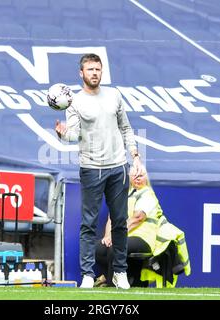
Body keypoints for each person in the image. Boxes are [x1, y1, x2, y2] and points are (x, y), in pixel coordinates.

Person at [55, 53, 143, 289]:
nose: (94, 73)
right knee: (89, 223)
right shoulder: (74, 102)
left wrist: (135, 156)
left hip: (117, 168)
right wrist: (63, 133)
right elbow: (75, 134)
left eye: (98, 69)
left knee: (120, 222)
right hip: (92, 169)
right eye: (90, 69)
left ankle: (120, 273)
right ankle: (86, 274)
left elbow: (126, 127)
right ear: (81, 73)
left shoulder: (114, 95)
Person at [95, 165, 191, 288]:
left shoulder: (148, 194)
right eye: (134, 175)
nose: (137, 178)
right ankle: (110, 278)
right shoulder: (123, 195)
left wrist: (115, 236)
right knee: (99, 249)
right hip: (124, 236)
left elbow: (138, 218)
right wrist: (107, 236)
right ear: (129, 177)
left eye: (140, 175)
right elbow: (111, 218)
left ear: (146, 177)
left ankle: (113, 286)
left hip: (143, 239)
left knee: (116, 248)